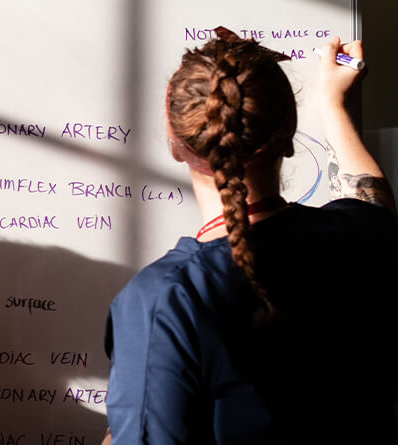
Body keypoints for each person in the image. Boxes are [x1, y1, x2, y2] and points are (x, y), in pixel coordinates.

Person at [104, 28, 398, 444]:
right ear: (290, 135)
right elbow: (371, 197)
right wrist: (334, 106)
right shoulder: (360, 235)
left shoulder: (165, 300)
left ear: (174, 141)